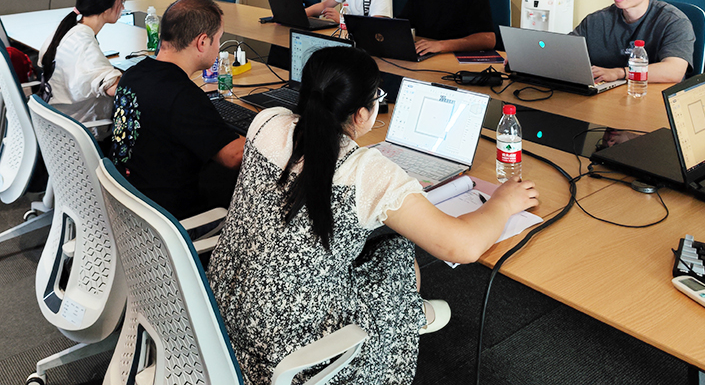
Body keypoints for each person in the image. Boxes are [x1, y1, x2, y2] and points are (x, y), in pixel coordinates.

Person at [207, 47, 539, 383]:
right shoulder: (366, 172)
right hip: (287, 351)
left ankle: (407, 313)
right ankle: (406, 316)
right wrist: (502, 203)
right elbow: (461, 247)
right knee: (396, 249)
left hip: (218, 314)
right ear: (363, 114)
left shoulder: (266, 121)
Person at [111, 0, 245, 219]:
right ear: (202, 42)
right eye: (219, 39)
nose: (219, 46)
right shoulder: (182, 95)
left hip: (129, 204)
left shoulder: (132, 75)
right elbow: (234, 156)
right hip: (169, 220)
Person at [571, 0, 694, 84]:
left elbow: (674, 71)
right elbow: (564, 54)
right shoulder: (595, 21)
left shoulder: (674, 21)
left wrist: (620, 73)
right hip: (605, 93)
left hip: (650, 94)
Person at [39, 0, 127, 140]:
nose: (122, 7)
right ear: (106, 6)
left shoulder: (69, 30)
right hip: (80, 134)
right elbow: (114, 88)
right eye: (121, 2)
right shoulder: (83, 43)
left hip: (58, 124)